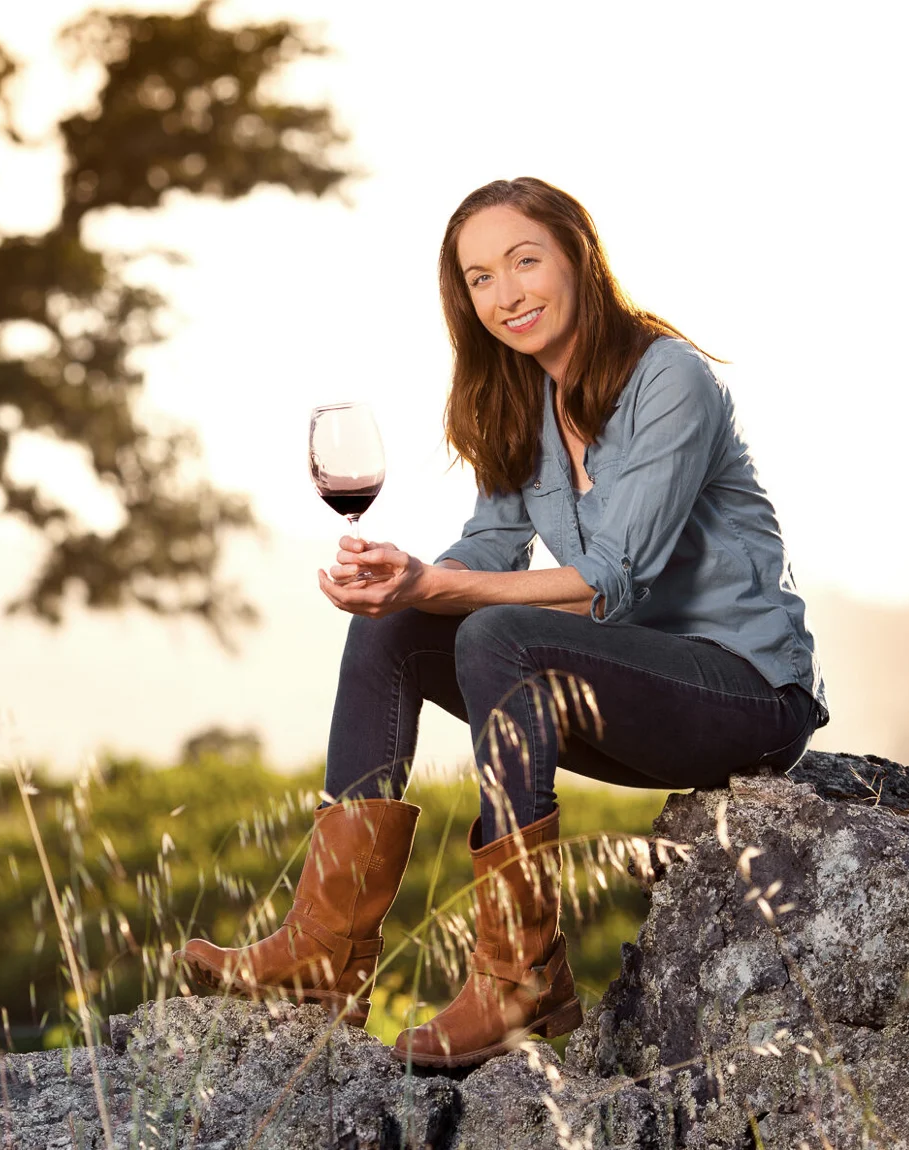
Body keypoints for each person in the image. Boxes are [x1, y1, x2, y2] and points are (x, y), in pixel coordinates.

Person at [176, 176, 829, 1069]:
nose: (507, 294)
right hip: (613, 694)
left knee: (488, 631)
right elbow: (489, 545)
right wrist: (405, 580)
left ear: (579, 257)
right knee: (395, 627)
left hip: (743, 695)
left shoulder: (669, 377)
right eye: (480, 278)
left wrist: (434, 586)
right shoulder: (517, 395)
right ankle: (325, 952)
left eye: (526, 261)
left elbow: (613, 581)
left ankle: (518, 975)